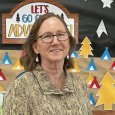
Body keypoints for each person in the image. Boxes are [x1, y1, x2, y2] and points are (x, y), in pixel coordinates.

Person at [3, 12, 92, 115]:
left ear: (68, 42)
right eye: (47, 36)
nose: (55, 42)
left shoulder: (80, 84)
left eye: (61, 35)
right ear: (36, 47)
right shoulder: (19, 88)